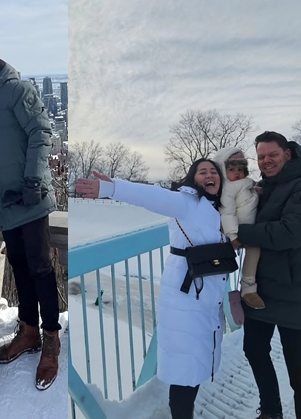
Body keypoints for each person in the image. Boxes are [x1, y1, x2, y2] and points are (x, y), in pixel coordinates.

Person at [76, 159, 230, 419]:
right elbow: (152, 196)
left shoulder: (221, 207)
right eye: (202, 172)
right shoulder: (185, 201)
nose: (209, 175)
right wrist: (113, 189)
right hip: (187, 296)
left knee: (194, 363)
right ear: (193, 180)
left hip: (206, 295)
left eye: (214, 171)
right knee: (185, 370)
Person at [0, 44, 61, 390]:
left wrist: (33, 179)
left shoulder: (17, 89)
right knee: (19, 266)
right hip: (3, 201)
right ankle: (29, 330)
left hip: (30, 194)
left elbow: (41, 131)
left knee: (39, 267)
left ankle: (51, 337)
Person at [236, 131, 301, 419]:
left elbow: (292, 232)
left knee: (300, 372)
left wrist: (239, 233)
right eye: (261, 156)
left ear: (288, 153)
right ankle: (271, 412)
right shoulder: (263, 189)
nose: (266, 161)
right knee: (254, 350)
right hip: (260, 288)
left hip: (294, 289)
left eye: (272, 154)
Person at [213, 147, 262, 309]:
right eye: (231, 169)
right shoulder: (227, 188)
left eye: (240, 169)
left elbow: (250, 198)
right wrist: (233, 234)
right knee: (225, 261)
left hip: (250, 230)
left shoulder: (247, 183)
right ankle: (219, 292)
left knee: (254, 251)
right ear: (222, 169)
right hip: (237, 230)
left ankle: (248, 285)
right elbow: (227, 213)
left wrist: (257, 191)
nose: (237, 173)